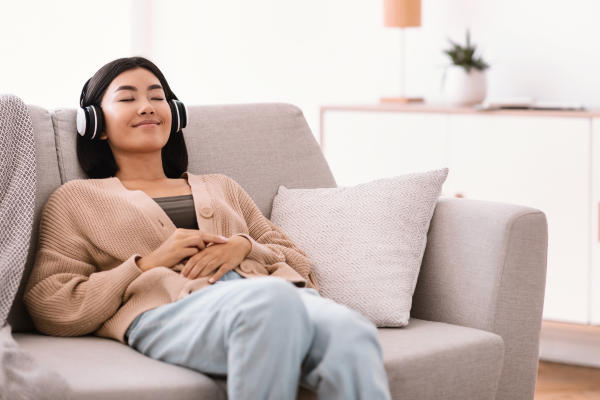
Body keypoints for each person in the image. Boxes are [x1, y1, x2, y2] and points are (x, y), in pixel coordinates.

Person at [23, 56, 392, 400]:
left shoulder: (221, 186)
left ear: (175, 114)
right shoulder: (76, 199)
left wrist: (244, 247)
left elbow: (297, 260)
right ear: (95, 124)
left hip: (276, 296)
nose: (148, 106)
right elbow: (50, 302)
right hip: (172, 312)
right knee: (271, 302)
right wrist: (148, 263)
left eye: (158, 97)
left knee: (352, 331)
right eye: (127, 98)